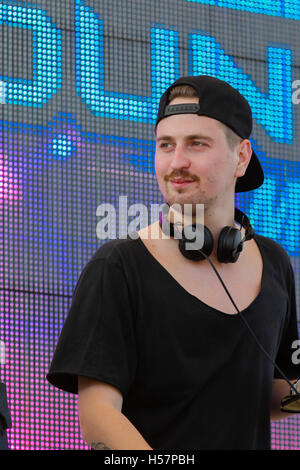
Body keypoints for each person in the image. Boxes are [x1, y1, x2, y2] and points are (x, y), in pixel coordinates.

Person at [47, 75, 300, 450]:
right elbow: (99, 416)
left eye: (197, 144)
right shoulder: (119, 266)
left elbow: (268, 395)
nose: (176, 162)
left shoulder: (274, 263)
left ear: (241, 157)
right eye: (166, 145)